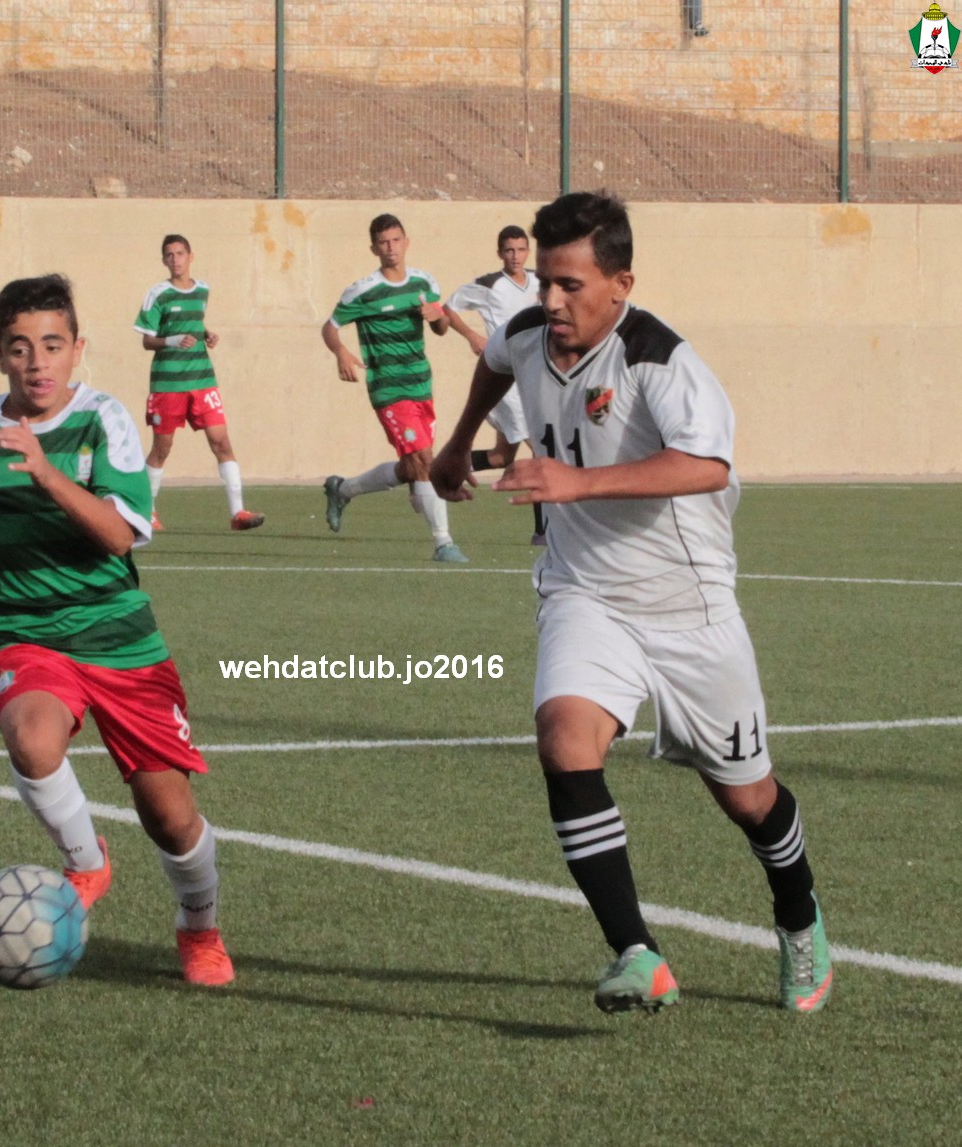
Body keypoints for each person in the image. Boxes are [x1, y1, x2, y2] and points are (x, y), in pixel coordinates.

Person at [431, 193, 832, 1015]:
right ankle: (636, 952)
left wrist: (577, 482)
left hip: (689, 608)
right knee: (564, 739)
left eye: (570, 285)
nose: (551, 300)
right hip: (584, 590)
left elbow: (707, 465)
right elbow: (496, 360)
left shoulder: (659, 358)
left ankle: (798, 913)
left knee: (749, 798)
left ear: (620, 284)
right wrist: (457, 441)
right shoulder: (528, 333)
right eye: (545, 281)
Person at [0, 273, 235, 988]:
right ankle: (86, 864)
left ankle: (199, 927)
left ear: (78, 348)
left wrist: (46, 474)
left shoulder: (103, 419)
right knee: (32, 739)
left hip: (122, 641)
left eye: (52, 345)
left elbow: (120, 535)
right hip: (26, 634)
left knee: (172, 820)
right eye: (19, 347)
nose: (37, 362)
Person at [320, 213, 467, 563]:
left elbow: (440, 328)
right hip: (388, 387)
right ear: (374, 248)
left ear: (406, 242)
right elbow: (330, 327)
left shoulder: (424, 282)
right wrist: (341, 352)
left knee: (412, 468)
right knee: (425, 461)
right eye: (383, 242)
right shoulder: (362, 290)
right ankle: (444, 543)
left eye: (396, 240)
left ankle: (343, 489)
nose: (391, 247)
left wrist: (439, 319)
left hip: (421, 384)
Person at [134, 234, 264, 532]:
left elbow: (192, 322)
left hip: (203, 380)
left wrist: (206, 334)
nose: (175, 259)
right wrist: (173, 340)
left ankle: (238, 512)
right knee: (162, 449)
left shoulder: (202, 290)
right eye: (170, 255)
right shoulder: (158, 294)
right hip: (168, 384)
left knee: (222, 442)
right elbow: (147, 340)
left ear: (191, 256)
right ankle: (146, 511)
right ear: (164, 260)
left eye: (180, 253)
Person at [442, 224, 546, 544]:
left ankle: (433, 470)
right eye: (509, 250)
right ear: (500, 253)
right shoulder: (489, 285)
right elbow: (448, 308)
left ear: (528, 251)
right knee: (541, 450)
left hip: (533, 376)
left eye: (520, 249)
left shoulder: (540, 280)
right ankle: (542, 532)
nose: (515, 255)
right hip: (504, 380)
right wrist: (472, 336)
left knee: (502, 457)